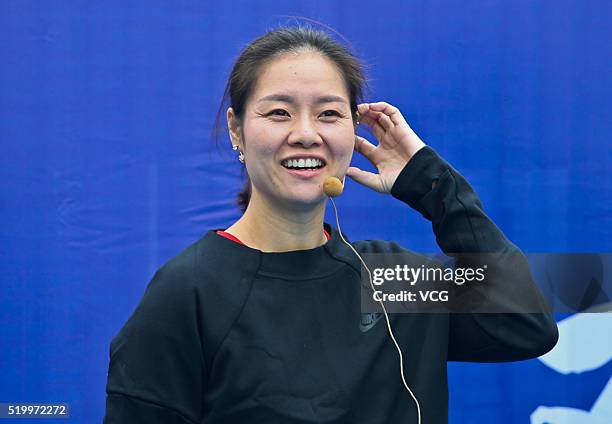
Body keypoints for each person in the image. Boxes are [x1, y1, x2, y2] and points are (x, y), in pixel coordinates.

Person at [104, 25, 558, 423]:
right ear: (236, 130)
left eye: (329, 113)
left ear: (353, 131)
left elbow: (526, 324)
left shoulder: (389, 281)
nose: (306, 133)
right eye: (278, 111)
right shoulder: (189, 292)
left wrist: (430, 183)